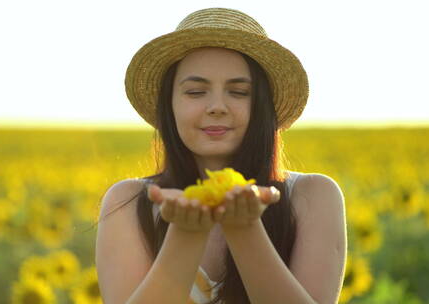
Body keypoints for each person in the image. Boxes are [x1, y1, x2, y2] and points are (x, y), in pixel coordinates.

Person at [95, 7, 347, 304]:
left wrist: (244, 228)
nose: (217, 106)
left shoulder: (312, 196)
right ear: (169, 105)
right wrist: (186, 234)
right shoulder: (129, 203)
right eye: (195, 92)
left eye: (239, 92)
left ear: (262, 106)